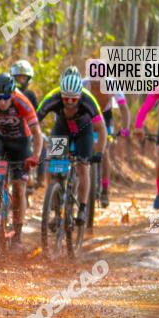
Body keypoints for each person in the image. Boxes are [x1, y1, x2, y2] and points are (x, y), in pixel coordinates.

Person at [37, 66, 108, 225]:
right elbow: (34, 120)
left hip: (84, 132)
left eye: (73, 99)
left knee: (83, 166)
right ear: (61, 94)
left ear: (80, 96)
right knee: (53, 163)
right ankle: (54, 201)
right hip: (62, 130)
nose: (69, 103)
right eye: (65, 99)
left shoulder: (88, 100)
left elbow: (102, 129)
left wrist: (100, 153)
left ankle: (82, 208)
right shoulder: (53, 97)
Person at [0, 73, 44, 246]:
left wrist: (35, 156)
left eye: (6, 97)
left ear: (12, 93)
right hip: (0, 142)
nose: (2, 102)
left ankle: (17, 234)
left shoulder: (22, 103)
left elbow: (37, 133)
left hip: (21, 144)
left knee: (19, 188)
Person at [82, 59, 131, 208]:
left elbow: (123, 108)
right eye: (94, 82)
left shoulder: (112, 84)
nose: (97, 85)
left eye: (99, 82)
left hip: (105, 117)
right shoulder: (83, 83)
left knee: (104, 152)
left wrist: (125, 128)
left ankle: (104, 190)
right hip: (87, 115)